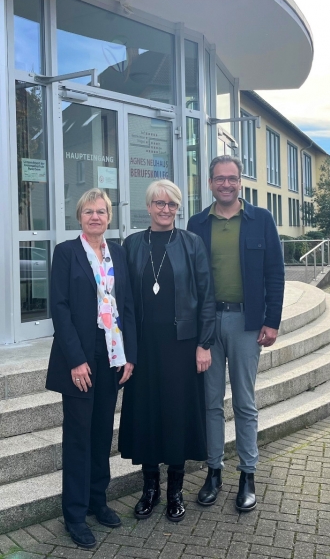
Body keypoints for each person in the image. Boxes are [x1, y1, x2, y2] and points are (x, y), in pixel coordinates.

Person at [187, 155, 285, 514]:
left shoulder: (261, 219)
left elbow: (275, 273)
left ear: (240, 182)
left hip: (247, 324)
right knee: (211, 403)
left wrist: (271, 321)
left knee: (244, 402)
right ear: (210, 183)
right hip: (209, 325)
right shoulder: (197, 223)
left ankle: (247, 474)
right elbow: (188, 280)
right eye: (219, 179)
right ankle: (214, 471)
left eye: (232, 178)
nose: (225, 184)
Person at [119, 180, 215, 523]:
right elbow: (122, 301)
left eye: (172, 204)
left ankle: (175, 491)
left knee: (177, 415)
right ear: (148, 207)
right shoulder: (131, 245)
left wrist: (204, 344)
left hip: (182, 345)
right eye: (159, 203)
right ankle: (150, 489)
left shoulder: (191, 243)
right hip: (143, 348)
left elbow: (206, 297)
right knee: (147, 415)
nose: (165, 209)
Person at [46, 188, 137, 549]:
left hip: (111, 355)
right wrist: (75, 360)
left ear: (109, 216)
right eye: (88, 212)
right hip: (80, 358)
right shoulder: (67, 253)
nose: (95, 217)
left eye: (101, 211)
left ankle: (99, 502)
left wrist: (130, 356)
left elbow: (126, 306)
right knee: (79, 438)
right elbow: (61, 308)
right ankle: (75, 514)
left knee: (101, 432)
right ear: (79, 217)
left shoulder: (118, 253)